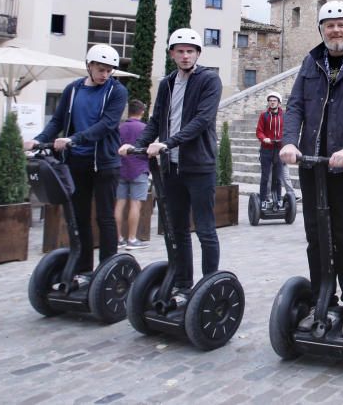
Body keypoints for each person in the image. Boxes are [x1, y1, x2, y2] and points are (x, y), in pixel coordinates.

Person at [280, 1, 343, 334]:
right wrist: (290, 142)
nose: (336, 30)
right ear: (321, 30)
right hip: (313, 163)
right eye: (329, 25)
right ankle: (322, 297)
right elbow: (295, 106)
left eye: (342, 25)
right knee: (316, 235)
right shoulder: (311, 62)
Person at [118, 28, 222, 295]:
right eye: (180, 51)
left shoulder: (209, 80)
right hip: (171, 167)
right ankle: (183, 283)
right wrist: (138, 145)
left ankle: (209, 285)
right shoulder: (166, 83)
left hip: (199, 166)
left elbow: (202, 120)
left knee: (205, 228)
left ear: (198, 54)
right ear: (172, 54)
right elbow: (155, 120)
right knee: (175, 229)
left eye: (190, 51)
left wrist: (168, 142)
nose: (185, 56)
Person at [25, 44, 127, 280]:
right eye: (101, 69)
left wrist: (73, 139)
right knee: (78, 215)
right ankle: (83, 269)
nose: (105, 75)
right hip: (76, 162)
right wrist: (38, 140)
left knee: (105, 216)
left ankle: (107, 271)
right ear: (89, 66)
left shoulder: (117, 91)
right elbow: (57, 121)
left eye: (109, 70)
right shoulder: (72, 90)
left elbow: (108, 124)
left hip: (105, 163)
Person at [115, 99, 150, 250]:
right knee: (135, 204)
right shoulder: (145, 128)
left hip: (121, 168)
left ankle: (117, 239)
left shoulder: (120, 128)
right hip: (139, 168)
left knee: (119, 203)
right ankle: (132, 239)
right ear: (142, 111)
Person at [256, 90, 286, 207]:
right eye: (270, 101)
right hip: (266, 149)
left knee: (278, 177)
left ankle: (278, 199)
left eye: (274, 101)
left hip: (279, 149)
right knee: (265, 177)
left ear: (279, 103)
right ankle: (263, 199)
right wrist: (264, 138)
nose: (272, 103)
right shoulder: (264, 115)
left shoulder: (284, 115)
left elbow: (288, 130)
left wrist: (286, 141)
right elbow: (259, 131)